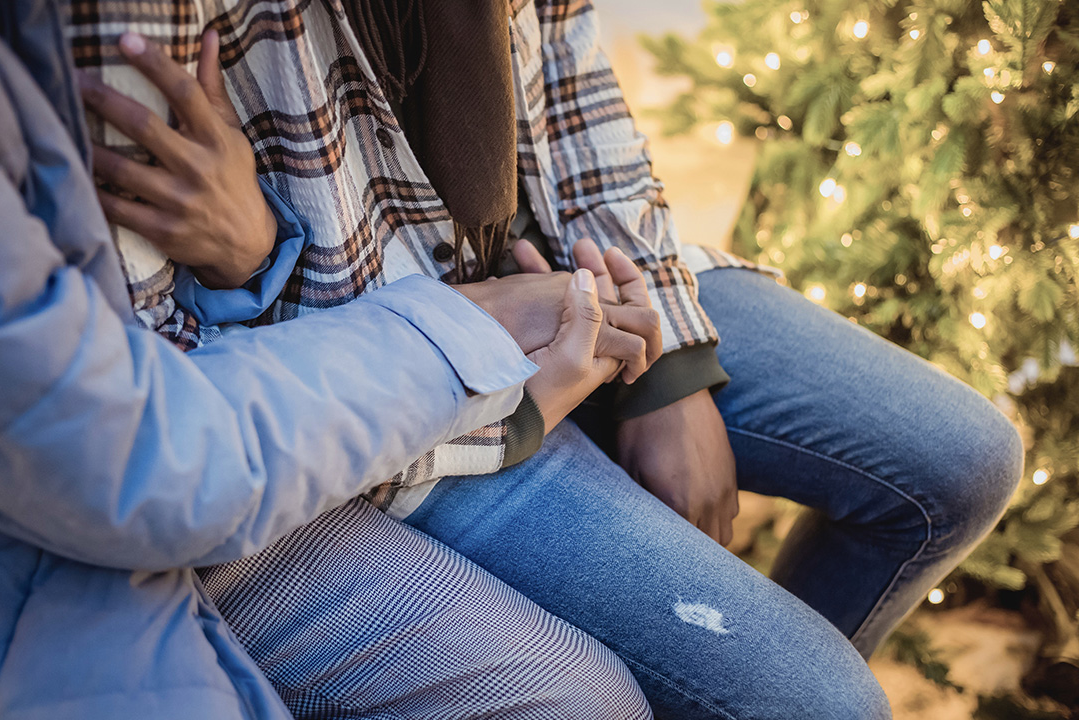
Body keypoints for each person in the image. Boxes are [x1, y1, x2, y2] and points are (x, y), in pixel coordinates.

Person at [74, 1, 1026, 718]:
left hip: (554, 276)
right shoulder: (127, 30)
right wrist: (506, 396)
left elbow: (571, 82)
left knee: (966, 458)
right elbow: (186, 395)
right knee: (827, 707)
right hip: (396, 369)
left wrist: (668, 363)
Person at [0, 0, 664, 717]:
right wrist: (475, 350)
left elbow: (115, 320)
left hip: (335, 381)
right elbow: (145, 443)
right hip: (234, 455)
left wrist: (254, 252)